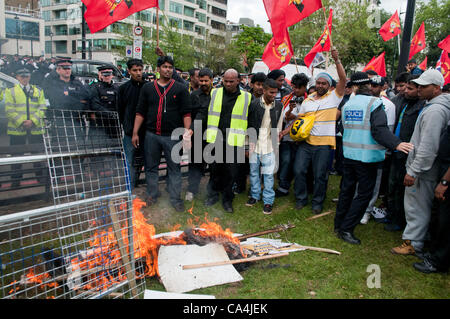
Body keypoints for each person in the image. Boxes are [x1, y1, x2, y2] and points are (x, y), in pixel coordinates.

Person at [334, 71, 414, 245]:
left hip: (349, 154)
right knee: (364, 195)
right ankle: (347, 229)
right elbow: (379, 130)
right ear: (369, 85)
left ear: (355, 86)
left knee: (347, 191)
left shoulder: (348, 104)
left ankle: (339, 224)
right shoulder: (375, 103)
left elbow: (344, 127)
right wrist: (396, 144)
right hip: (367, 157)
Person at [391, 69, 450, 257]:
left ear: (436, 88)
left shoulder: (435, 110)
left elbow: (428, 145)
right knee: (420, 205)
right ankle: (417, 239)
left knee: (417, 205)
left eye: (424, 86)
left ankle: (413, 242)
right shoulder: (433, 106)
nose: (419, 89)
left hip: (424, 169)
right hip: (427, 167)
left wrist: (414, 170)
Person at [132, 56, 192, 212]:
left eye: (170, 67)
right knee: (151, 167)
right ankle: (152, 194)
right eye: (165, 67)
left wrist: (186, 133)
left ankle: (175, 198)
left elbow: (186, 113)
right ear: (157, 69)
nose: (168, 70)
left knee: (174, 168)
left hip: (172, 136)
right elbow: (140, 111)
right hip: (151, 135)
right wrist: (135, 132)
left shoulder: (180, 88)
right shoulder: (148, 88)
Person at [292, 48, 347, 214]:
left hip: (323, 145)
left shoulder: (334, 97)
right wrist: (290, 132)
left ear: (329, 86)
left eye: (324, 83)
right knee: (299, 171)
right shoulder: (307, 101)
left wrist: (337, 61)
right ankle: (301, 199)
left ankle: (317, 203)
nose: (321, 85)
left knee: (320, 175)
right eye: (319, 83)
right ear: (315, 84)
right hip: (306, 143)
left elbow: (343, 80)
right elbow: (299, 121)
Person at [196, 69, 252, 213]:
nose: (227, 84)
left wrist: (249, 143)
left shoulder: (247, 97)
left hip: (234, 142)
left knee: (231, 173)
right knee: (215, 171)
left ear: (238, 81)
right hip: (215, 139)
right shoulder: (215, 93)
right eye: (225, 81)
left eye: (231, 81)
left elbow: (250, 121)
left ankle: (227, 200)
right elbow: (205, 111)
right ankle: (212, 196)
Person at [385, 75, 425, 232]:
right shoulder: (402, 101)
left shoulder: (422, 107)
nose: (404, 91)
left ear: (419, 90)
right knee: (392, 184)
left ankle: (399, 219)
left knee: (402, 188)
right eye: (405, 87)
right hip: (397, 149)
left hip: (409, 153)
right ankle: (391, 213)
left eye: (410, 88)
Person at [412, 119, 450, 273]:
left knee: (446, 221)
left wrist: (445, 182)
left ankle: (439, 261)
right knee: (441, 218)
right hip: (443, 170)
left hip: (447, 178)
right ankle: (435, 254)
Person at [359, 75, 397, 224]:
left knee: (374, 183)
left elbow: (389, 129)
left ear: (383, 87)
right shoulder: (362, 101)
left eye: (375, 86)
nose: (372, 88)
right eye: (370, 85)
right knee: (360, 181)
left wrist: (387, 151)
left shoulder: (388, 105)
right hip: (361, 148)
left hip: (377, 150)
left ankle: (367, 211)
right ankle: (358, 207)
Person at [246, 79, 283, 214]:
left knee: (268, 175)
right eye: (271, 92)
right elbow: (248, 125)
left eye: (276, 92)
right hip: (254, 144)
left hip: (269, 145)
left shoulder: (279, 106)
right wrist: (247, 145)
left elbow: (278, 126)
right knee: (254, 173)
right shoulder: (254, 104)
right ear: (264, 90)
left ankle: (268, 201)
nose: (274, 95)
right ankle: (255, 196)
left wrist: (276, 145)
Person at [4, 68, 46, 187]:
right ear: (17, 77)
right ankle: (16, 180)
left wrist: (32, 121)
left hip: (35, 128)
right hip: (17, 129)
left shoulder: (38, 90)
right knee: (16, 157)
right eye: (21, 76)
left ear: (30, 77)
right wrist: (22, 122)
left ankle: (40, 178)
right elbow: (9, 110)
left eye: (26, 76)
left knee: (38, 156)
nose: (24, 78)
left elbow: (42, 107)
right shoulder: (10, 91)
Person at [276, 73, 309, 197]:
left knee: (298, 166)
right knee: (286, 161)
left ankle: (300, 188)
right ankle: (283, 187)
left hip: (301, 139)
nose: (295, 90)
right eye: (293, 87)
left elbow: (303, 121)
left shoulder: (310, 100)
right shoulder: (287, 99)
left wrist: (295, 117)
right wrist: (290, 111)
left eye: (298, 88)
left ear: (305, 87)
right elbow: (284, 118)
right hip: (286, 138)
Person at [117, 58, 147, 189]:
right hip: (130, 132)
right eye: (135, 70)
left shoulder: (148, 87)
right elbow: (120, 110)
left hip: (146, 132)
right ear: (129, 71)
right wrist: (126, 126)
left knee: (146, 160)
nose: (138, 73)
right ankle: (129, 186)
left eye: (140, 70)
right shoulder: (123, 89)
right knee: (129, 160)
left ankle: (139, 182)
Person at [185, 68, 213, 201]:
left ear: (211, 80)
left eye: (206, 80)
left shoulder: (217, 94)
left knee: (214, 164)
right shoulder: (194, 95)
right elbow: (190, 115)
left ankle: (212, 191)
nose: (203, 83)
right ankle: (192, 189)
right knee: (195, 164)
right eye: (201, 80)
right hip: (197, 135)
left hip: (214, 135)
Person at [89, 65, 120, 140]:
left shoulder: (117, 88)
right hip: (101, 120)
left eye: (109, 75)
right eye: (105, 75)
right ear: (101, 76)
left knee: (115, 143)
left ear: (112, 75)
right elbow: (95, 104)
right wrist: (108, 113)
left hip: (114, 122)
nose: (107, 77)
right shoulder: (96, 87)